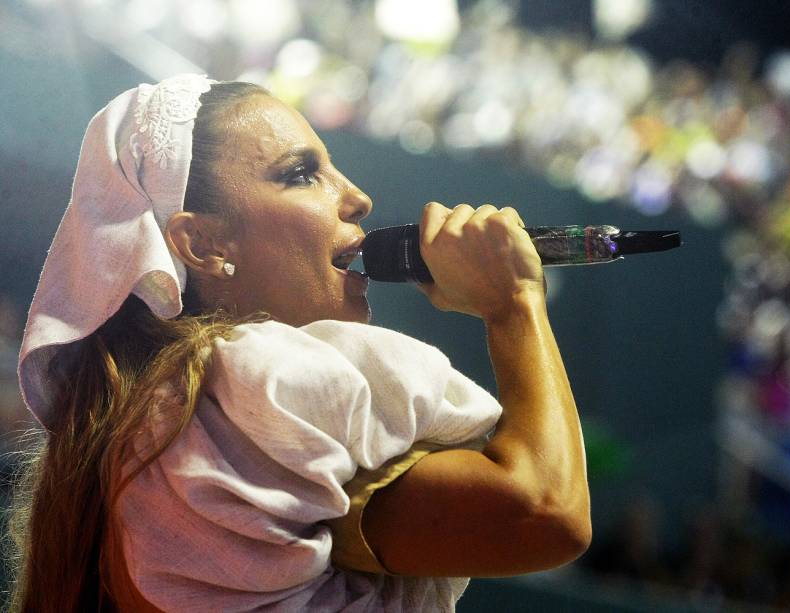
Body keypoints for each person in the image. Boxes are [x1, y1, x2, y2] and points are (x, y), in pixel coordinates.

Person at [6, 74, 590, 612]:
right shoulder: (250, 385)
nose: (358, 197)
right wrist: (514, 304)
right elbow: (545, 511)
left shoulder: (147, 425)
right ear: (204, 244)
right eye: (301, 173)